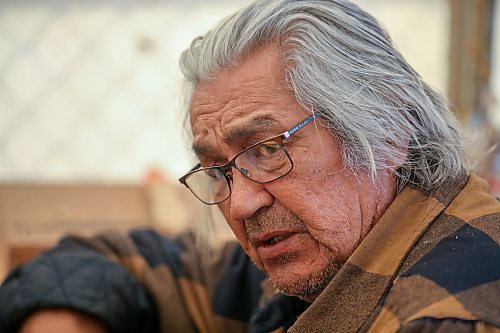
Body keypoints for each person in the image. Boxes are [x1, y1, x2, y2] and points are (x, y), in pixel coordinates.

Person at [1, 0, 499, 332]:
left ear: (386, 127)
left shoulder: (452, 318)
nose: (240, 204)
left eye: (266, 149)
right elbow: (123, 259)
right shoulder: (328, 258)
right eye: (218, 170)